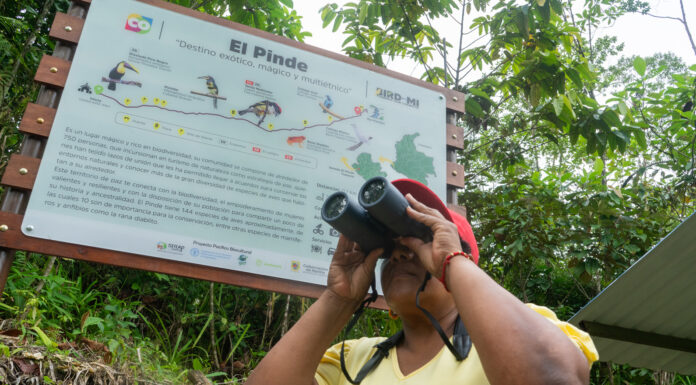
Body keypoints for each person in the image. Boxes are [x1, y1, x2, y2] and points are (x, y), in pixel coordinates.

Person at [246, 179, 598, 385]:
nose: (400, 255)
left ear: (462, 260)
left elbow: (554, 378)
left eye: (420, 242)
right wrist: (338, 298)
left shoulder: (524, 327)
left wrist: (450, 263)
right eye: (391, 248)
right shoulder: (352, 359)